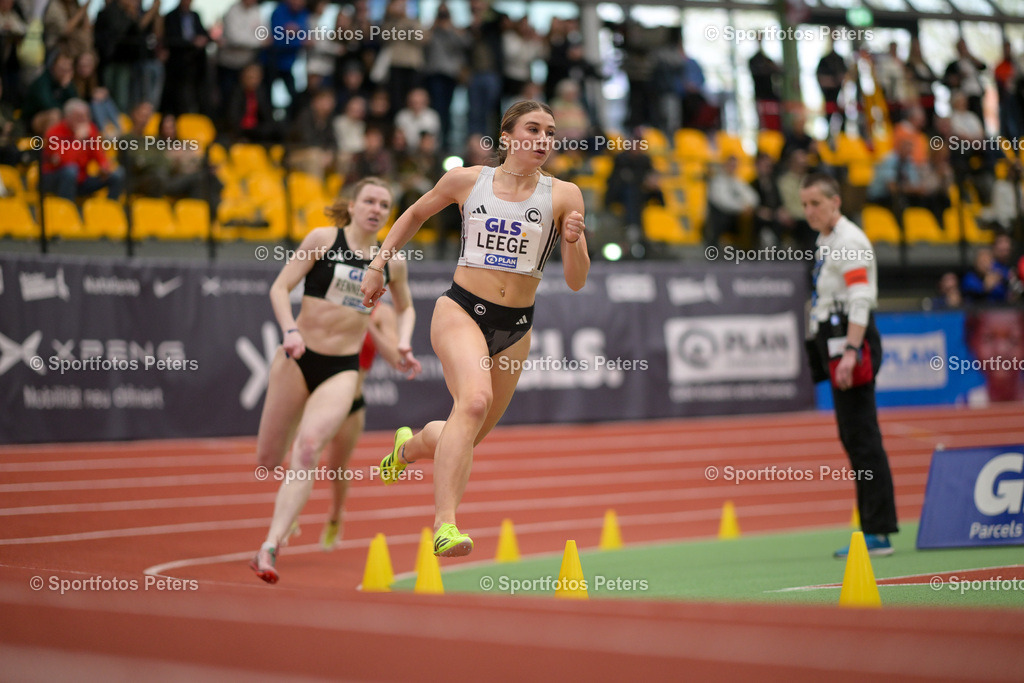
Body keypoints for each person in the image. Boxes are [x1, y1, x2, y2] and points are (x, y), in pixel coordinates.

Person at [359, 100, 590, 558]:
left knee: (463, 436)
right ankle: (444, 525)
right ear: (507, 137)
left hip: (515, 327)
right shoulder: (466, 180)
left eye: (550, 132)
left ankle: (407, 448)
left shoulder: (565, 195)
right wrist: (377, 265)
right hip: (461, 310)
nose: (544, 139)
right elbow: (414, 214)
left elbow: (576, 280)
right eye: (533, 129)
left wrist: (574, 241)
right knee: (475, 401)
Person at [249, 177, 420, 583]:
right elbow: (280, 288)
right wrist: (290, 331)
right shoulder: (323, 240)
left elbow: (407, 308)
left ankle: (270, 546)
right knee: (269, 460)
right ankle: (289, 508)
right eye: (369, 201)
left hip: (342, 368)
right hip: (297, 358)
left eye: (384, 204)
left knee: (308, 449)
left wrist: (404, 341)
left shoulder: (391, 261)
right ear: (353, 205)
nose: (376, 209)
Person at [800, 172, 898, 558]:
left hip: (851, 341)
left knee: (862, 436)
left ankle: (878, 532)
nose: (809, 211)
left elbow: (860, 300)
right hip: (835, 340)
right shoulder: (826, 240)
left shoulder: (850, 242)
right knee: (853, 436)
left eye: (816, 203)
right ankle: (873, 526)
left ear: (835, 201)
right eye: (804, 204)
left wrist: (852, 351)